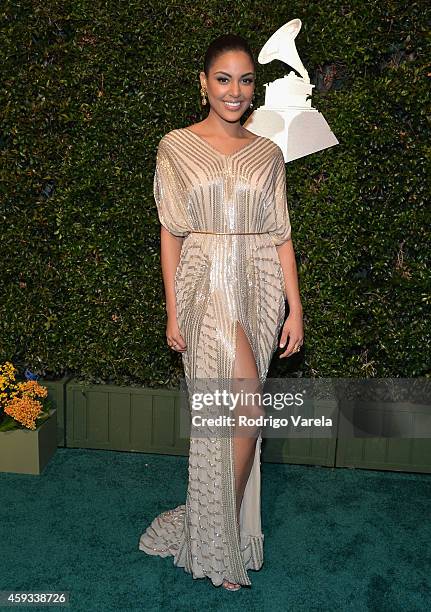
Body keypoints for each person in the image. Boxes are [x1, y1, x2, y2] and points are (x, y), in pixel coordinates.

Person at [139, 33, 304, 591]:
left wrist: (295, 308)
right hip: (204, 278)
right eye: (224, 79)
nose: (235, 91)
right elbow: (170, 231)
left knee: (237, 419)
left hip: (260, 279)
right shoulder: (176, 147)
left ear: (255, 88)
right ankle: (216, 538)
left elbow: (282, 234)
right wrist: (171, 310)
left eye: (246, 80)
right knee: (242, 408)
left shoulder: (269, 154)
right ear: (204, 83)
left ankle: (214, 525)